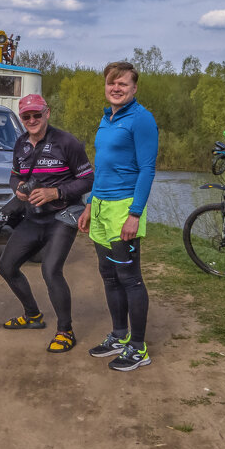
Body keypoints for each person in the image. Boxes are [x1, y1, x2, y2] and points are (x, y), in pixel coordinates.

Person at [0, 94, 93, 353]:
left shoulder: (67, 142)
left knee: (50, 270)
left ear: (47, 113)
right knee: (6, 266)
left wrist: (56, 192)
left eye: (36, 115)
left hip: (62, 215)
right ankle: (32, 315)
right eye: (26, 116)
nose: (32, 120)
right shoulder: (20, 144)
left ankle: (65, 330)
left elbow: (88, 179)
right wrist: (18, 188)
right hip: (34, 216)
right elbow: (15, 175)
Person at [78, 61, 158, 372]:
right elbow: (102, 167)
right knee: (109, 276)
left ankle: (138, 348)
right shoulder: (106, 119)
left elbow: (147, 169)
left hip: (124, 208)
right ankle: (119, 335)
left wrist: (135, 214)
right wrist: (88, 204)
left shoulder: (141, 120)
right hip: (100, 207)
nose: (116, 88)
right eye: (112, 83)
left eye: (123, 84)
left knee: (130, 278)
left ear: (134, 88)